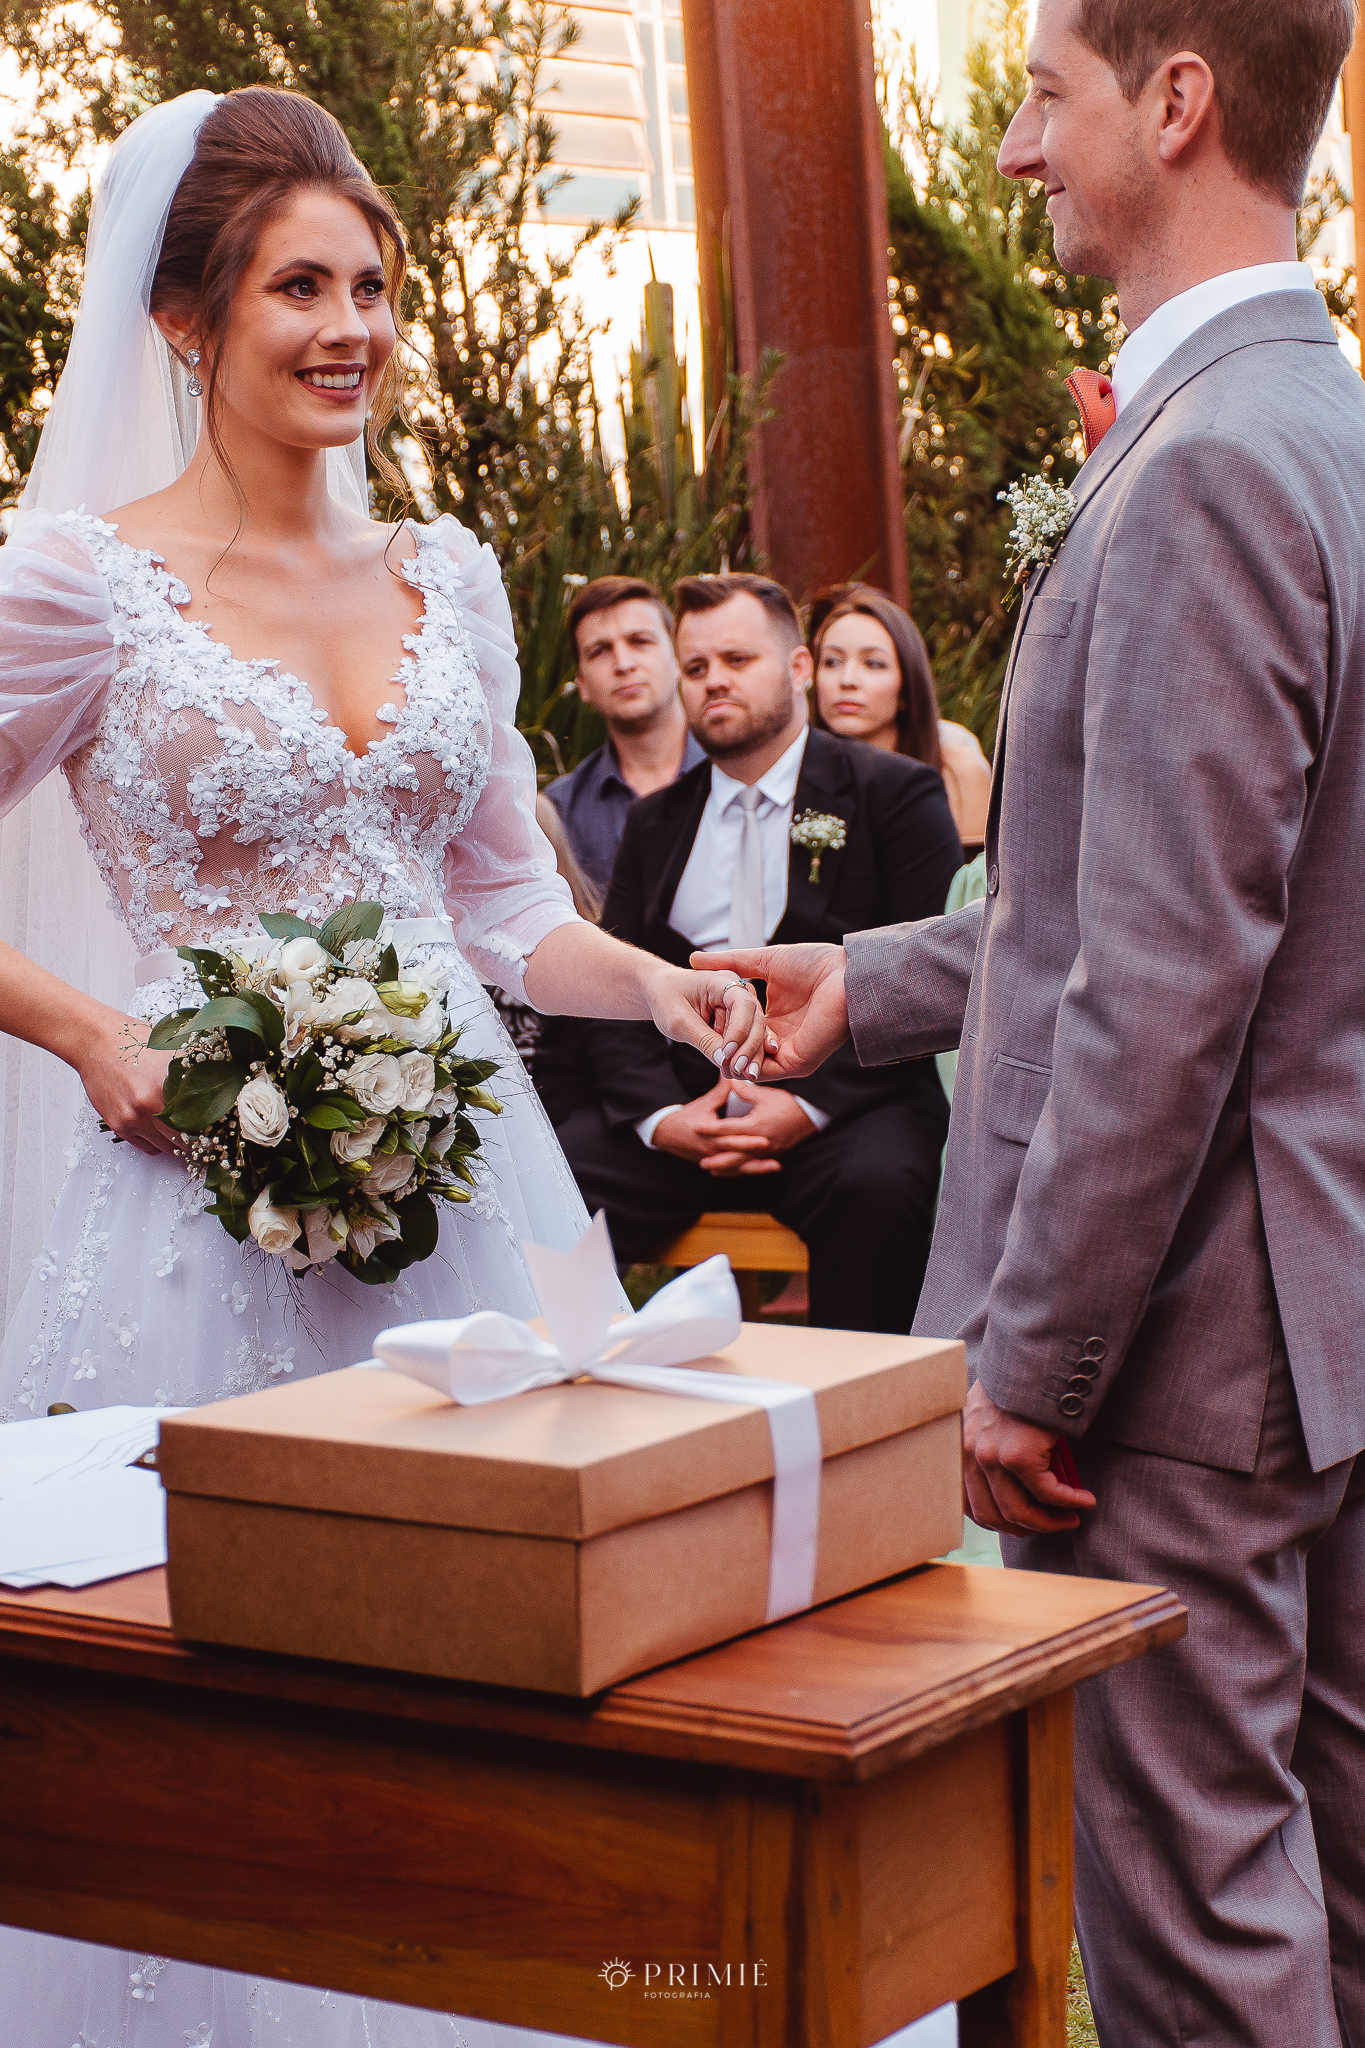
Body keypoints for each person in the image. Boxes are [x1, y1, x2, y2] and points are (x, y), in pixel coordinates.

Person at [0, 84, 767, 2048]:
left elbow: (502, 901)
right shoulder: (81, 581)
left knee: (513, 1654)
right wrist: (91, 1030)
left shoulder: (453, 575)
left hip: (470, 1204)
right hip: (193, 1210)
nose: (351, 327)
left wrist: (658, 981)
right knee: (220, 1685)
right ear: (185, 319)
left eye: (373, 287)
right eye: (300, 288)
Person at [698, 0, 1365, 2039]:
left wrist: (1036, 1361)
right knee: (1338, 1893)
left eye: (1040, 96)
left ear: (1176, 104)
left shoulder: (1207, 466)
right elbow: (1203, 895)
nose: (1010, 150)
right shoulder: (1323, 422)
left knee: (1196, 1938)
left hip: (1180, 1350)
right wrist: (878, 983)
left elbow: (1166, 980)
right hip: (1319, 1308)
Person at [556, 573, 962, 1333]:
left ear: (798, 668)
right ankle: (559, 1385)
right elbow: (617, 998)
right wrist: (663, 1118)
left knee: (883, 1186)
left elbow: (928, 977)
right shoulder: (655, 823)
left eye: (737, 660)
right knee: (556, 1181)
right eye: (696, 666)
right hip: (689, 1117)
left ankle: (862, 1402)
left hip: (844, 1112)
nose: (714, 681)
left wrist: (805, 1105)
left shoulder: (894, 795)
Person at [542, 575, 704, 893]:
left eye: (640, 641)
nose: (623, 664)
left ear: (678, 658)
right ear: (582, 684)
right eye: (599, 651)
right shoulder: (561, 813)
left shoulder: (738, 772)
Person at [807, 584, 993, 842]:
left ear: (907, 685)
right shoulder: (790, 778)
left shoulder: (960, 772)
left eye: (873, 663)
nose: (847, 680)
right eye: (832, 662)